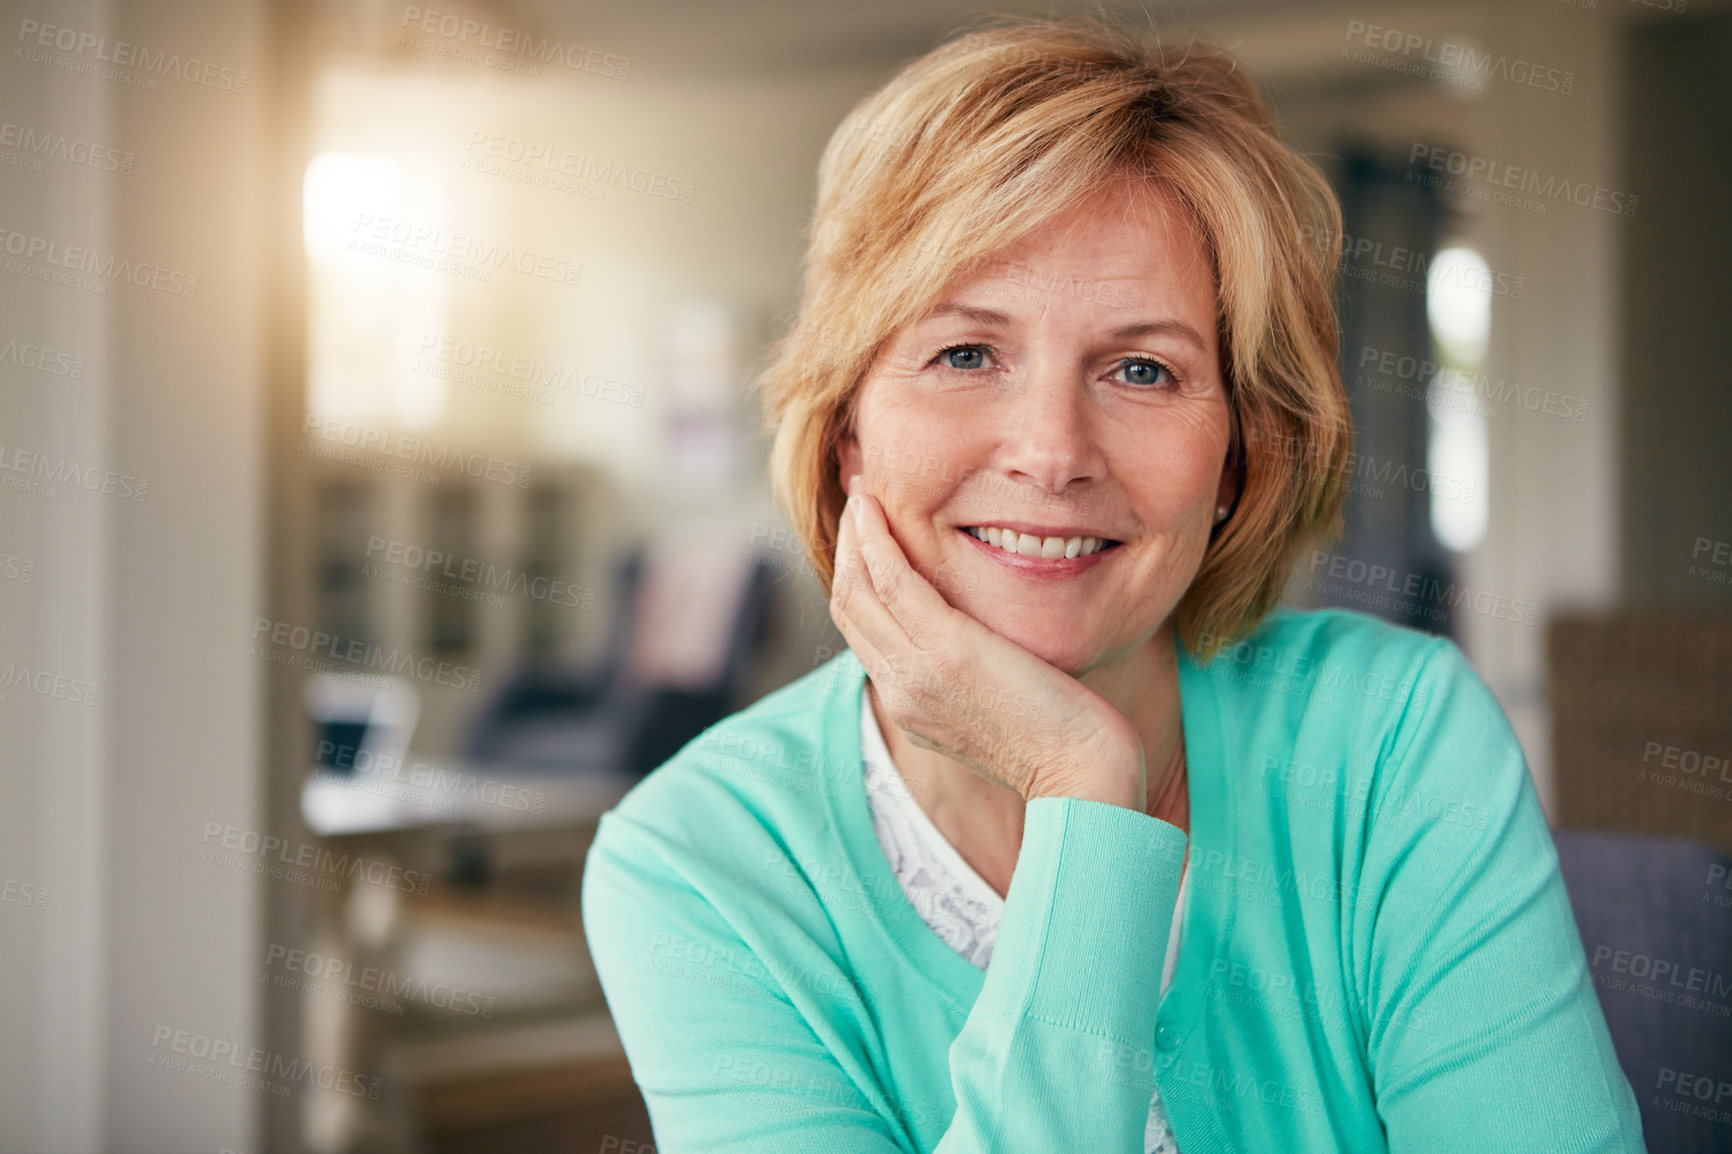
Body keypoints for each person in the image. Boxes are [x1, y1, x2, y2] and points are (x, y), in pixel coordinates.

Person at [581, 18, 1644, 1153]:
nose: (1051, 451)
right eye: (965, 353)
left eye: (1142, 368)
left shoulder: (1391, 739)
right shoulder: (697, 862)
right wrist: (1082, 793)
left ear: (1243, 449)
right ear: (847, 430)